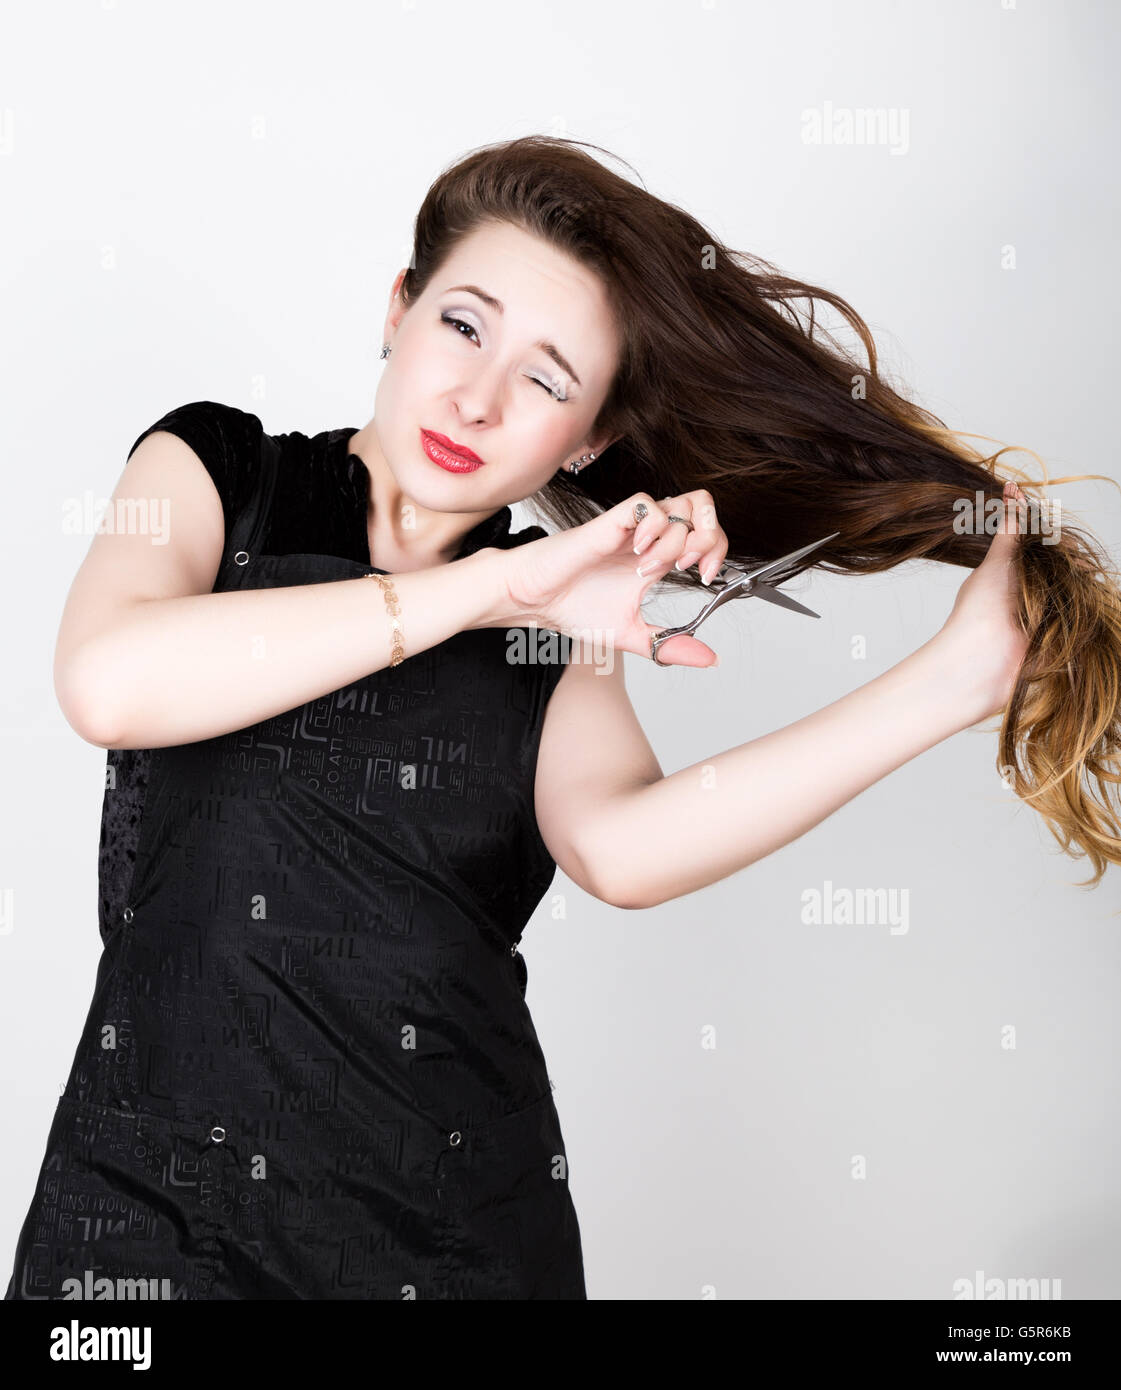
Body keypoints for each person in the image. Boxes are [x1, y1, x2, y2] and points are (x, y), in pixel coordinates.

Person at [6, 134, 1120, 1302]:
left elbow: (621, 848)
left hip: (451, 1245)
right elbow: (107, 681)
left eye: (545, 380)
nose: (478, 397)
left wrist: (950, 681)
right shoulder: (218, 469)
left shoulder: (569, 617)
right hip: (135, 1237)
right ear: (398, 306)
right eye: (462, 325)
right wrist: (495, 588)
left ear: (586, 439)